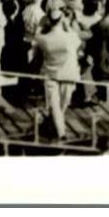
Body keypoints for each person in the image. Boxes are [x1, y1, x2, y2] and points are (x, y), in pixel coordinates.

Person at [30, 9, 83, 140]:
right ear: (61, 20)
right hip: (68, 73)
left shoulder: (42, 38)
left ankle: (54, 127)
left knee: (54, 105)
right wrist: (68, 25)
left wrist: (42, 25)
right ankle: (61, 133)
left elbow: (36, 44)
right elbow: (78, 42)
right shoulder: (70, 37)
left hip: (50, 73)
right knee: (62, 105)